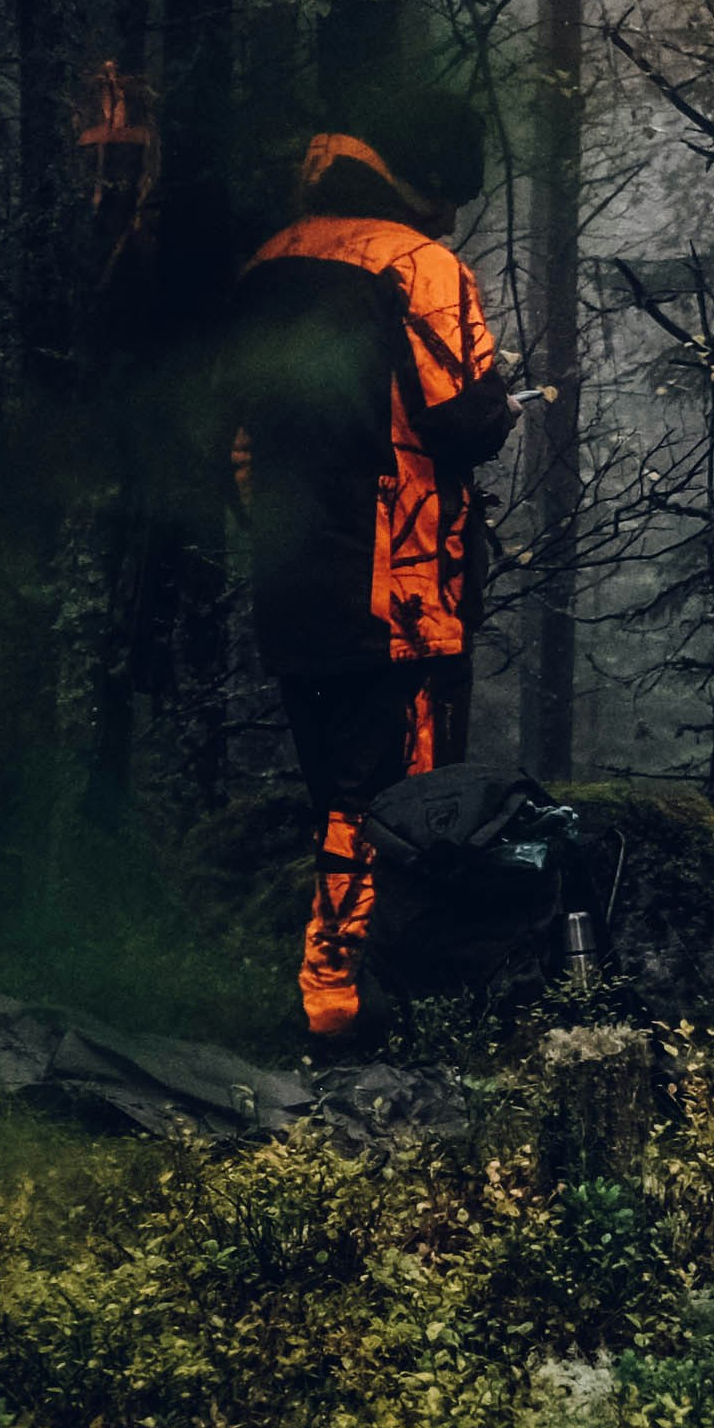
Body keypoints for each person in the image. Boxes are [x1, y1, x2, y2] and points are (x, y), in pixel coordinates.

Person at [217, 87, 520, 1047]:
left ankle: (344, 1001)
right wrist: (507, 397)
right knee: (404, 802)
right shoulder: (419, 268)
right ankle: (365, 1009)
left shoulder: (269, 262)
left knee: (336, 789)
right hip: (400, 588)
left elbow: (235, 441)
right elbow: (464, 418)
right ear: (427, 180)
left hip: (294, 582)